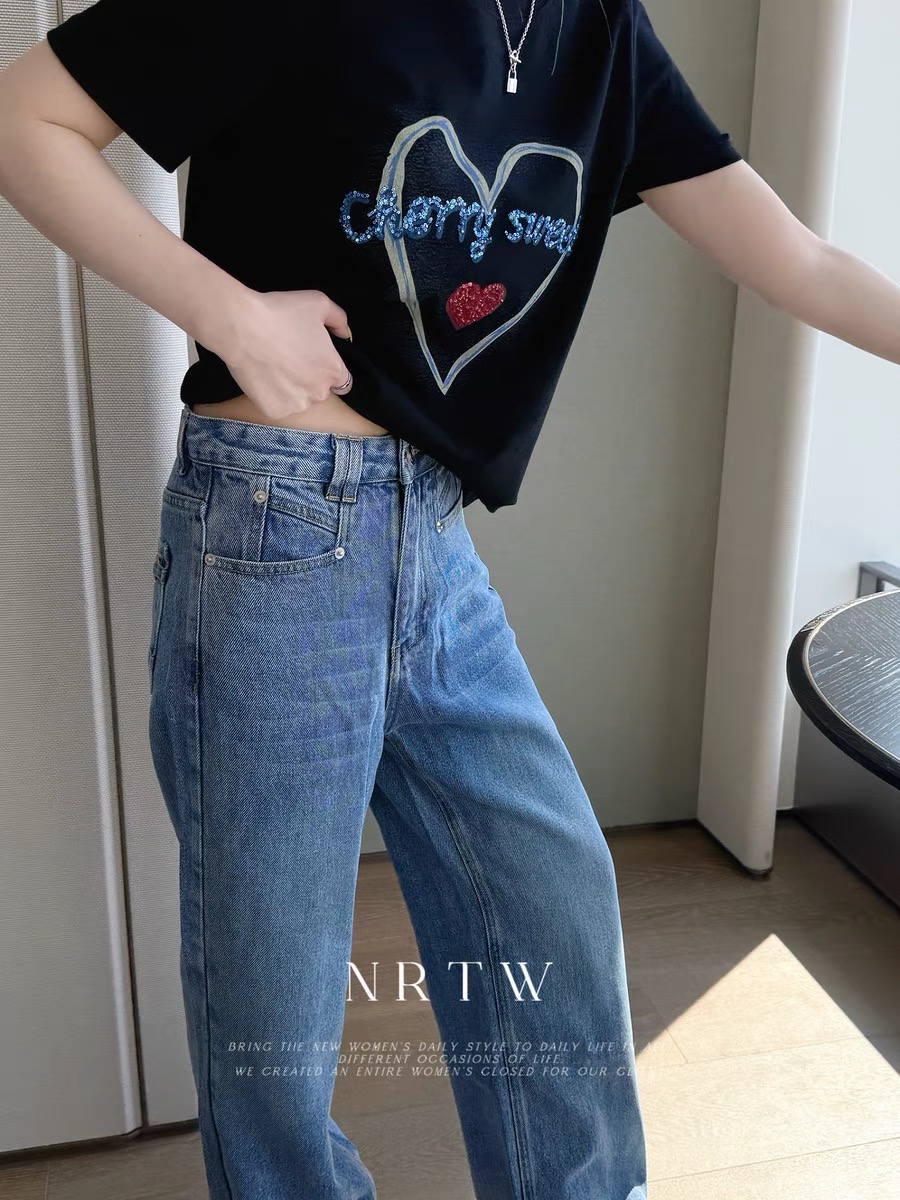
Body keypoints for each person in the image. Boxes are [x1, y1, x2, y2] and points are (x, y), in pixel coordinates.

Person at [3, 1, 900, 1197]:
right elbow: (26, 120)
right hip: (277, 524)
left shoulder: (594, 29)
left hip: (432, 538)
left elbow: (796, 260)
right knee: (272, 990)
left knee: (545, 904)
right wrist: (227, 313)